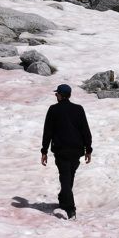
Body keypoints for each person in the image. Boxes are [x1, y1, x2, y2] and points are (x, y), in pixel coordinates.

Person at [40, 84, 92, 220]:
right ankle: (63, 199)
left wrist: (44, 151)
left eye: (56, 93)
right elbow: (85, 131)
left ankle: (70, 209)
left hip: (61, 150)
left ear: (60, 95)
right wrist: (88, 149)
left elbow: (47, 132)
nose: (55, 95)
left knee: (65, 178)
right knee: (69, 177)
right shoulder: (78, 109)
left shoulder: (53, 109)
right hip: (76, 150)